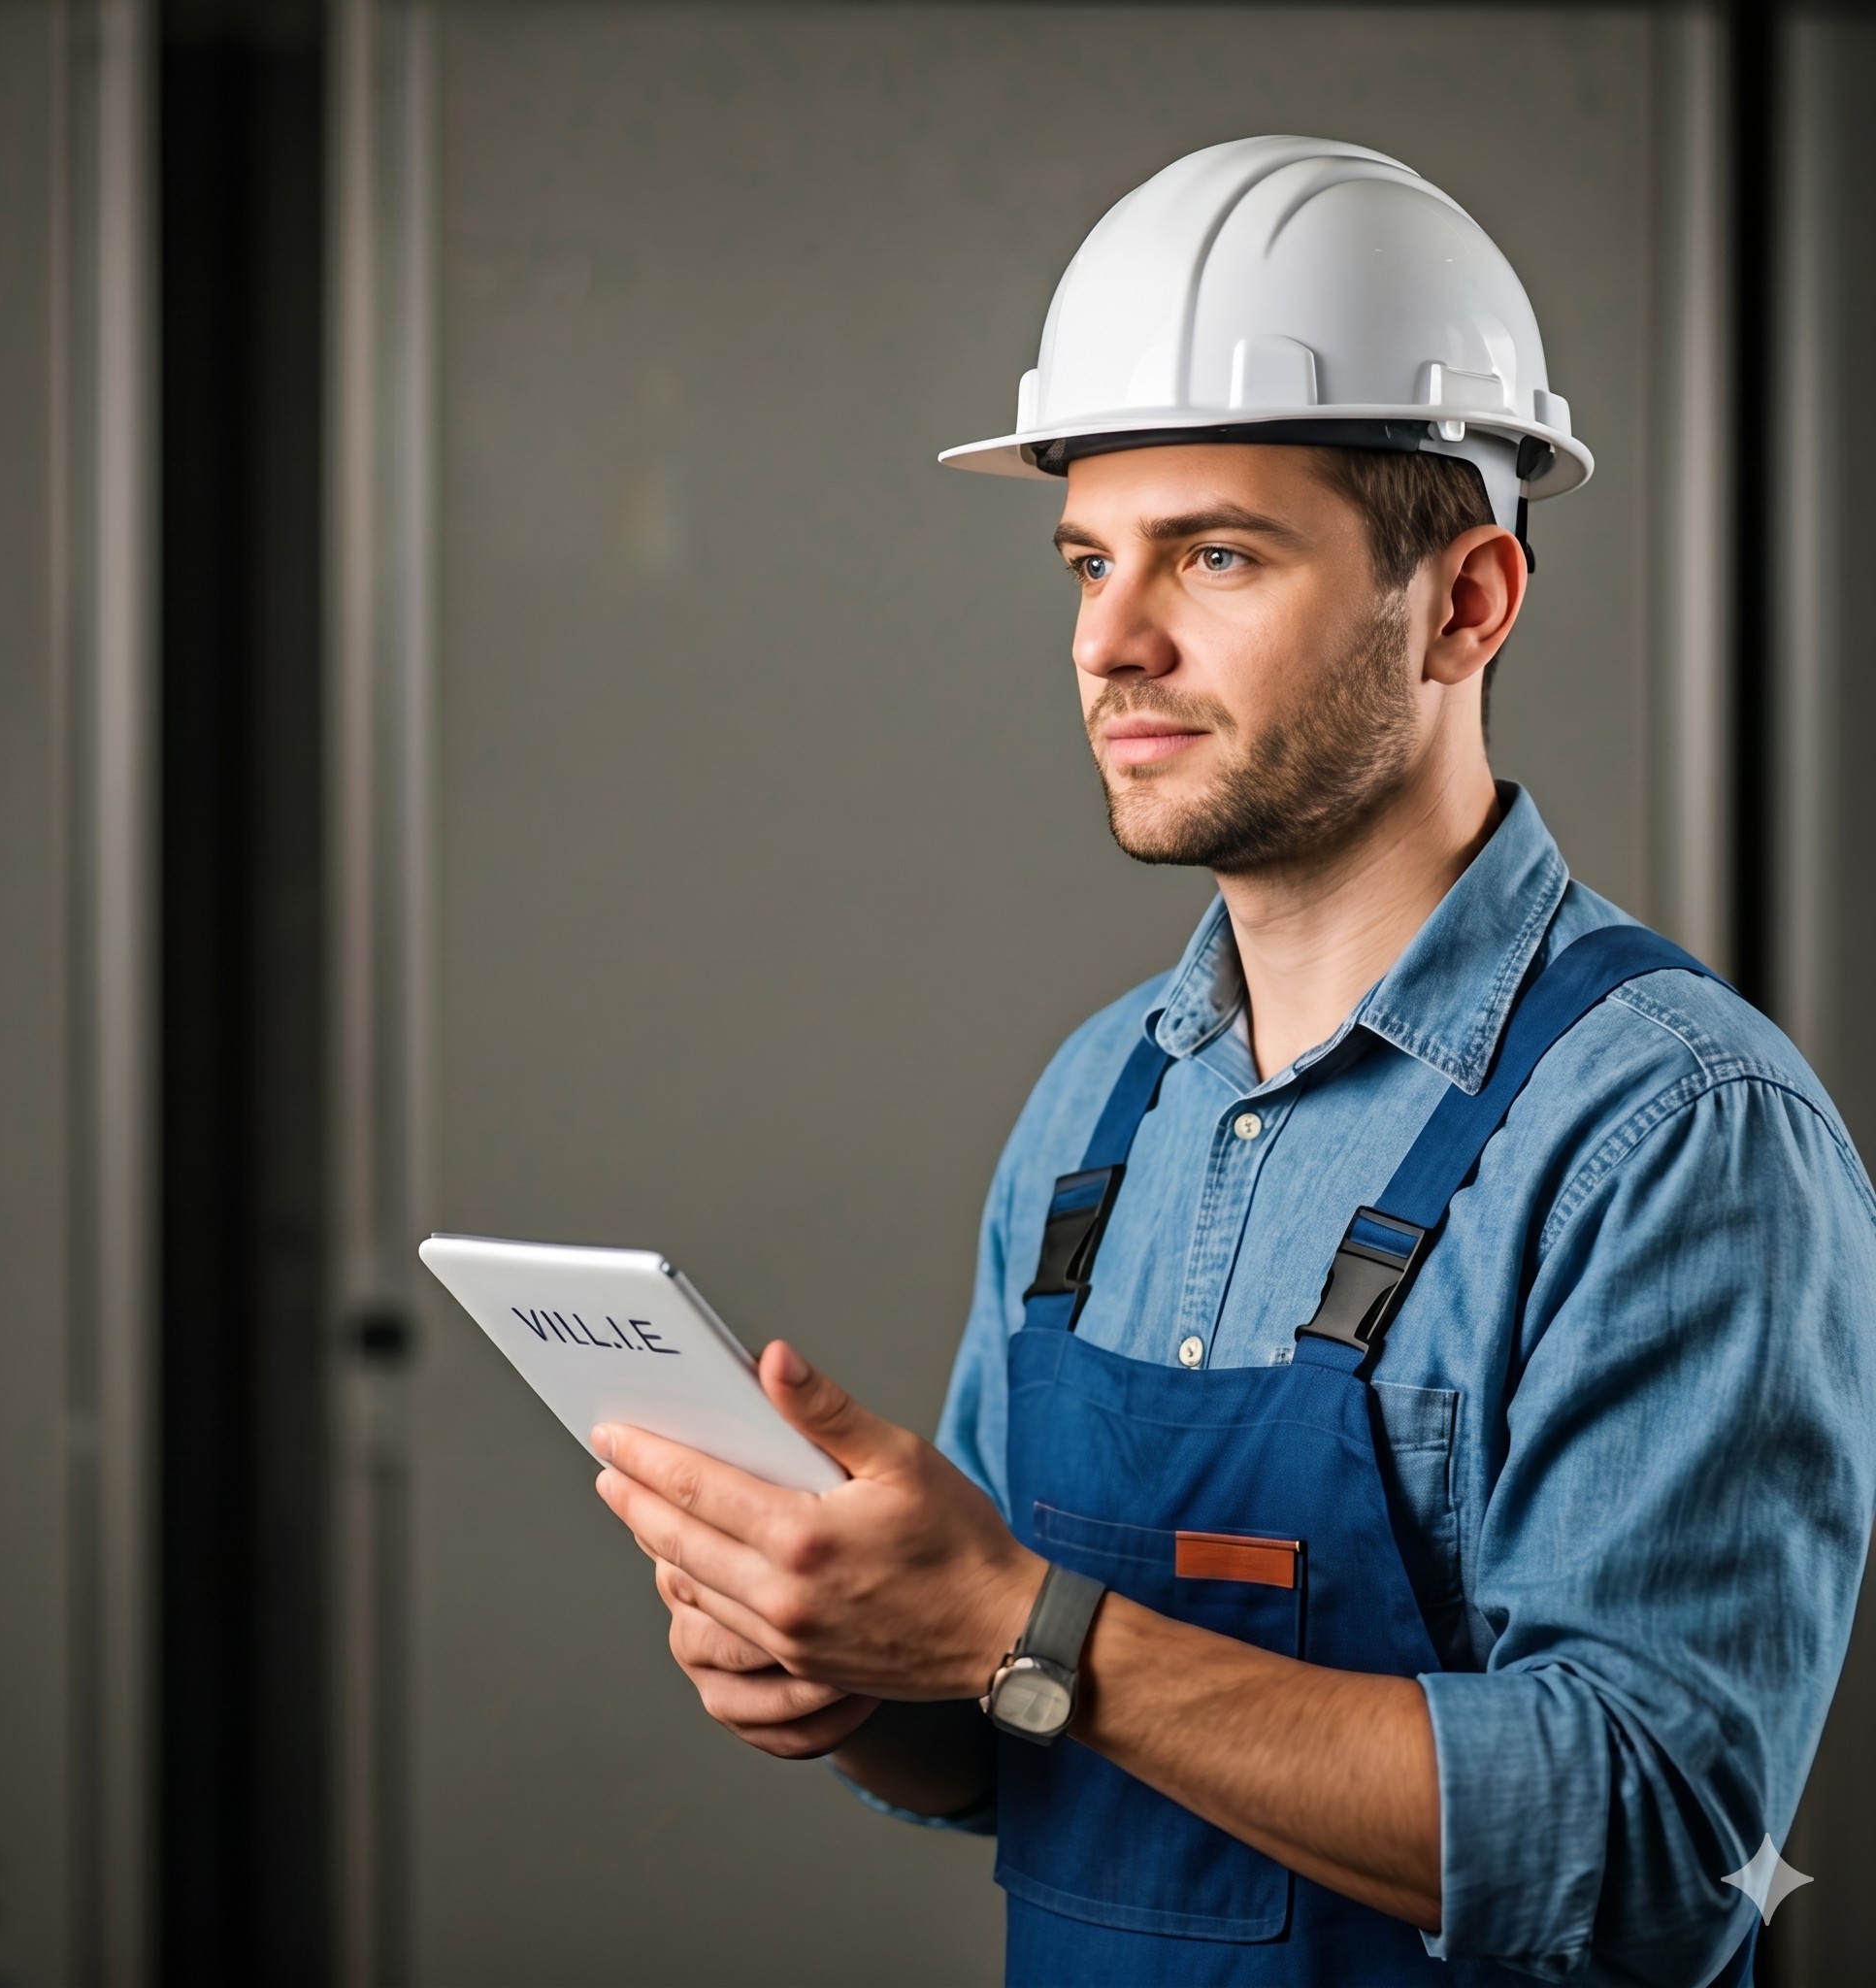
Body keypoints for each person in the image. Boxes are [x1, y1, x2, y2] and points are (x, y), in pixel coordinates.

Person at [592, 137, 1876, 1984]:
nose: (1111, 642)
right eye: (1087, 561)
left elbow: (1656, 1848)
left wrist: (1028, 1629)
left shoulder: (1673, 1128)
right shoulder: (1098, 1106)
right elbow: (1009, 1741)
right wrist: (852, 1674)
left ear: (1466, 603)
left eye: (1214, 554)